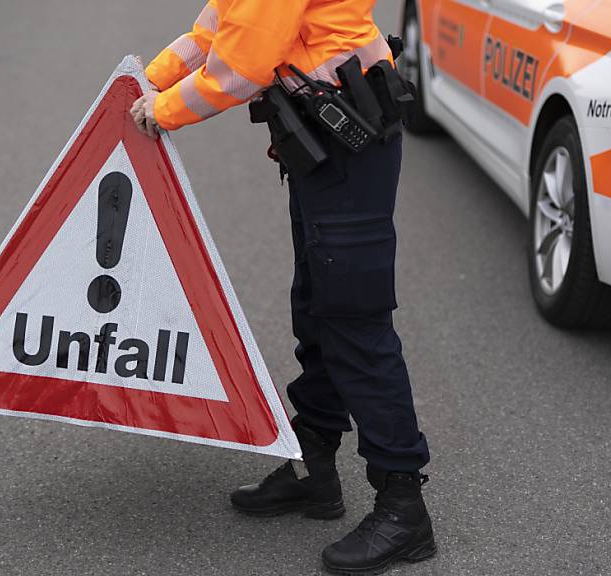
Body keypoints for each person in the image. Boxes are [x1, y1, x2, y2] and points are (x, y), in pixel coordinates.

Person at [130, 1, 435, 573]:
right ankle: (313, 469)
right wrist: (147, 79)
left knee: (353, 323)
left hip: (349, 139)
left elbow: (239, 68)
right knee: (318, 311)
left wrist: (162, 109)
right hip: (325, 138)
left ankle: (404, 506)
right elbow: (214, 30)